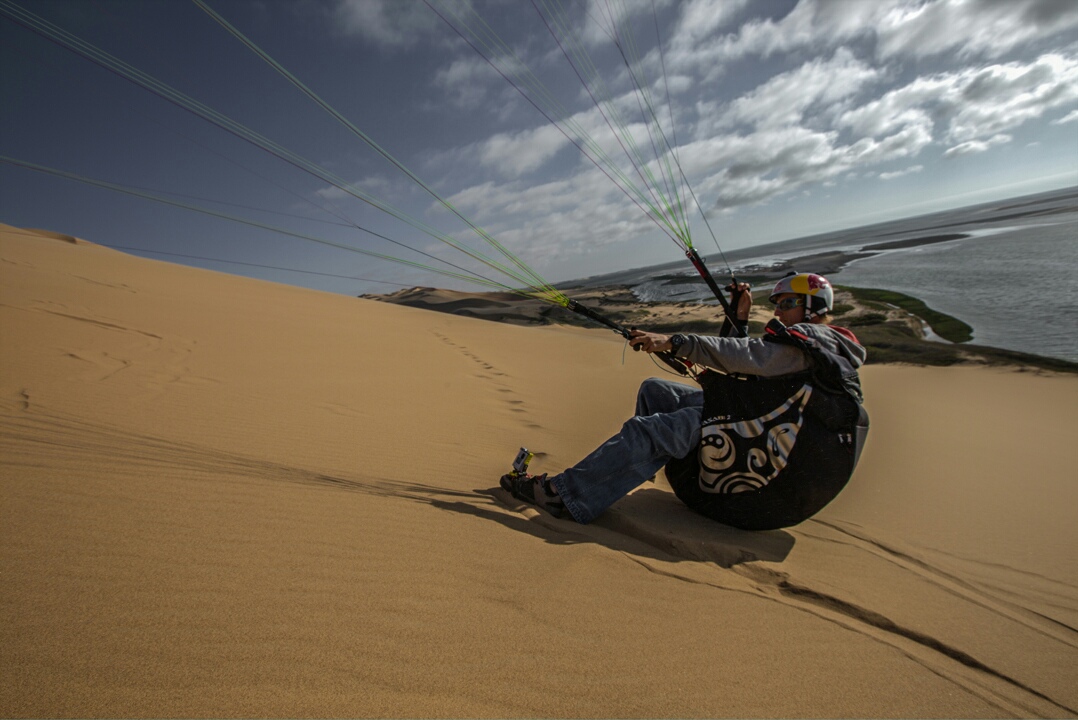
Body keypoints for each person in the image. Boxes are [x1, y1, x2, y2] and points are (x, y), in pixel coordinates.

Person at [500, 272, 867, 526]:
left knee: (652, 430)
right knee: (656, 391)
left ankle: (562, 496)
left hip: (766, 489)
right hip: (760, 437)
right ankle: (632, 471)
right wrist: (738, 318)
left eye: (786, 302)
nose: (777, 310)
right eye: (775, 303)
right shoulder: (807, 350)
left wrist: (675, 341)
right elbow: (744, 370)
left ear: (811, 307)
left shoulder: (813, 342)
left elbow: (753, 357)